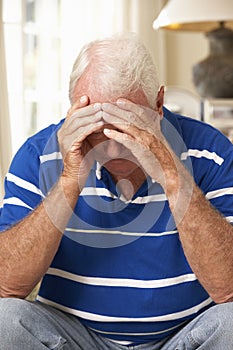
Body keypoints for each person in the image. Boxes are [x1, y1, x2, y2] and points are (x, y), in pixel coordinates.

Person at [0, 32, 233, 350]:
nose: (112, 148)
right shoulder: (38, 154)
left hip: (183, 338)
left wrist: (172, 176)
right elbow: (7, 284)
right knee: (5, 319)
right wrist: (69, 181)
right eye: (96, 127)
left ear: (159, 104)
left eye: (126, 126)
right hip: (73, 339)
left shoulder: (211, 152)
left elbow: (229, 290)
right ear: (73, 111)